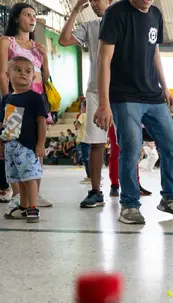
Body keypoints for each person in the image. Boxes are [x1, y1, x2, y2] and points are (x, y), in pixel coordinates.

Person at [94, 0, 173, 224]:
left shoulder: (156, 14)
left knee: (170, 145)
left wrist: (165, 87)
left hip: (153, 95)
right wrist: (103, 102)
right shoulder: (116, 13)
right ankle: (129, 204)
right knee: (130, 149)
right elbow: (104, 59)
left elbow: (155, 53)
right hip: (125, 95)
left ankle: (170, 198)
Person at [60, 0, 114, 207]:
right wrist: (74, 11)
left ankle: (128, 190)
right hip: (95, 90)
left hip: (122, 90)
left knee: (126, 143)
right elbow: (64, 41)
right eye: (90, 0)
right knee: (95, 142)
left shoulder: (124, 20)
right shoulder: (91, 27)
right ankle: (95, 191)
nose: (92, 3)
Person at [0, 2, 52, 209]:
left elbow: (45, 77)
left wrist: (45, 57)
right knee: (14, 147)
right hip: (15, 101)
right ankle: (17, 195)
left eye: (34, 15)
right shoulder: (6, 42)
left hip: (36, 98)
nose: (32, 19)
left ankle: (34, 195)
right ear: (16, 18)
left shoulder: (37, 46)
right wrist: (8, 102)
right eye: (27, 15)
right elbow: (3, 75)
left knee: (36, 147)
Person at [1, 57, 47, 221]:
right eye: (18, 70)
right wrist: (2, 146)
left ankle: (33, 207)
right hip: (10, 145)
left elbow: (41, 122)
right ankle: (23, 205)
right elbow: (4, 124)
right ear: (8, 75)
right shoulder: (6, 99)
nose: (23, 74)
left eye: (27, 71)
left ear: (33, 77)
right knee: (18, 178)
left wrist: (40, 144)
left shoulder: (35, 98)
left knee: (29, 177)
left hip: (27, 146)